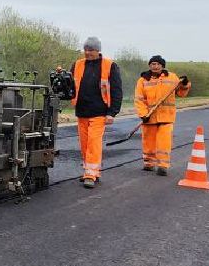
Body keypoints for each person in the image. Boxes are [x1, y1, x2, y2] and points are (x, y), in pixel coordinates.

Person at [70, 37, 122, 188]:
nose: (87, 53)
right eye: (86, 50)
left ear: (98, 50)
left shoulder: (109, 65)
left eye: (91, 50)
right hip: (81, 111)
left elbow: (116, 90)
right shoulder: (77, 65)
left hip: (99, 111)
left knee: (93, 143)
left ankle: (91, 175)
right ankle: (90, 170)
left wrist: (112, 112)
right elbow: (70, 84)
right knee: (85, 144)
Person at [134, 56, 190, 176]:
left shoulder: (172, 77)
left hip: (166, 117)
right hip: (149, 117)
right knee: (148, 142)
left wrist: (185, 84)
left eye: (158, 64)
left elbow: (181, 93)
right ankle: (149, 163)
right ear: (149, 65)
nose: (155, 66)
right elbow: (139, 99)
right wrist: (143, 114)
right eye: (153, 64)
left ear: (162, 65)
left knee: (164, 142)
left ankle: (163, 165)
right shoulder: (143, 80)